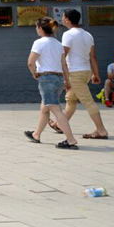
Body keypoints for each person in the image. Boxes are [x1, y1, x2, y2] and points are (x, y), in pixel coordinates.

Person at [24, 17, 79, 150]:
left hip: (46, 78)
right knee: (45, 107)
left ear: (40, 28)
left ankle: (71, 140)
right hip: (59, 78)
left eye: (36, 27)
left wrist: (34, 73)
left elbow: (30, 62)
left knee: (55, 108)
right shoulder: (58, 44)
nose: (36, 29)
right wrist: (67, 80)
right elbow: (63, 64)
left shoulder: (39, 43)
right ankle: (36, 134)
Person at [58, 9, 108, 139]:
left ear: (67, 19)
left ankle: (101, 130)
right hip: (86, 72)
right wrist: (95, 74)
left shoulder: (68, 34)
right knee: (71, 99)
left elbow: (63, 56)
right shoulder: (88, 35)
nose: (62, 19)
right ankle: (60, 125)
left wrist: (64, 77)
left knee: (88, 101)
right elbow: (93, 56)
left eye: (63, 16)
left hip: (75, 73)